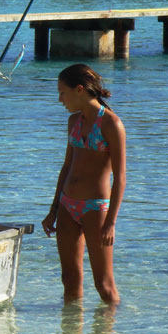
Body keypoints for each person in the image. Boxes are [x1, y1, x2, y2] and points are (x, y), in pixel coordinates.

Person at [42, 64, 126, 304]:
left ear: (79, 90)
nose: (60, 99)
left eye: (62, 93)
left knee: (104, 285)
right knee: (69, 278)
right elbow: (67, 166)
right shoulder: (73, 122)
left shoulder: (112, 124)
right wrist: (53, 210)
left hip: (96, 209)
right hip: (68, 205)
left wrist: (111, 222)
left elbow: (120, 178)